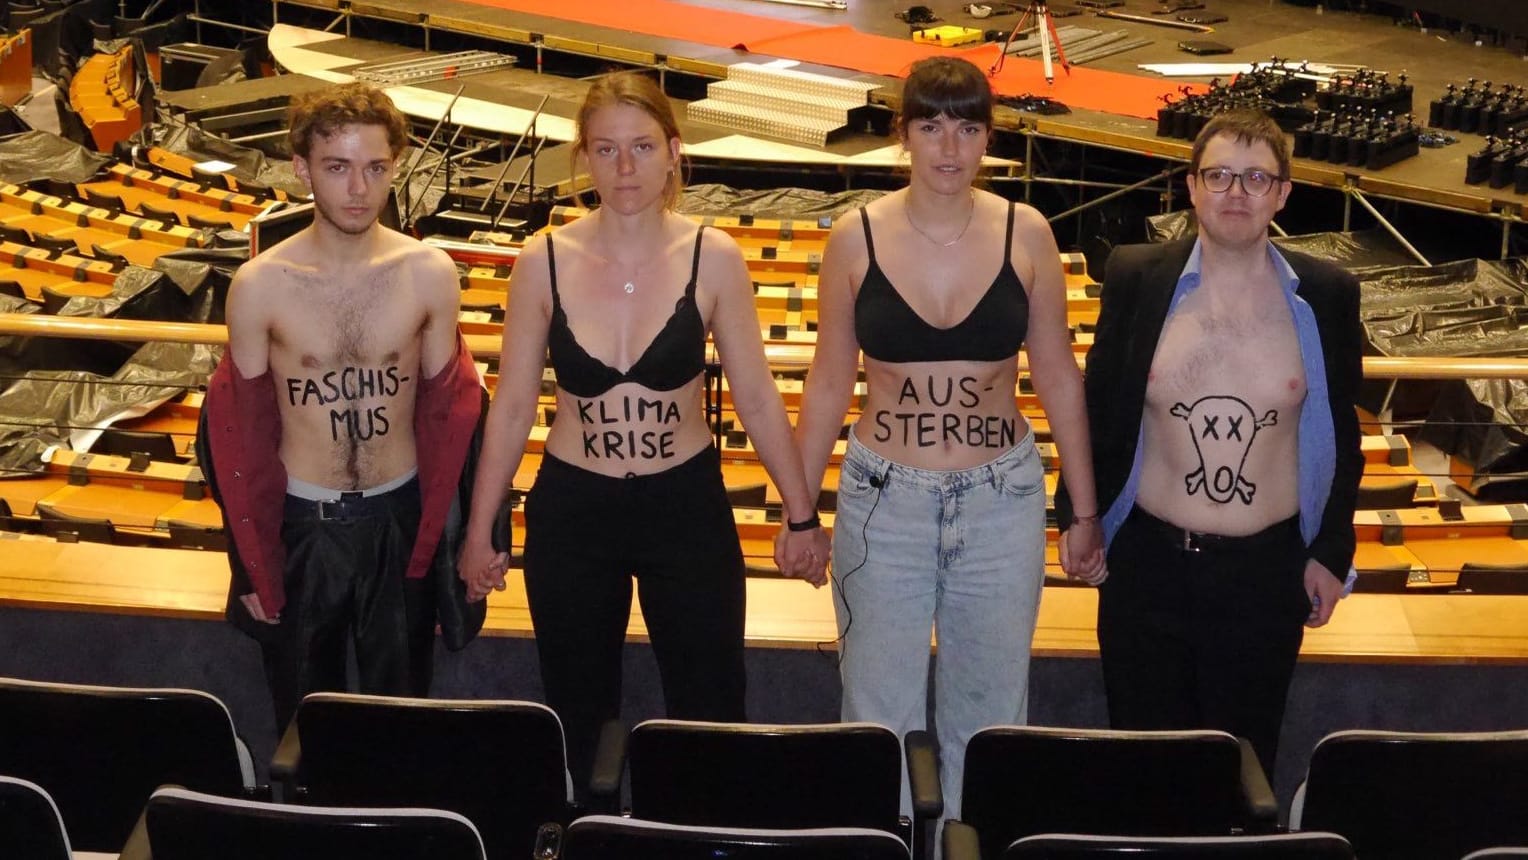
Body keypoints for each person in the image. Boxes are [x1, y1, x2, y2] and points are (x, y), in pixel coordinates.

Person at [457, 71, 830, 790]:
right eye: (605, 150)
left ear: (672, 151)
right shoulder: (543, 259)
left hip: (683, 509)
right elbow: (509, 406)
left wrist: (802, 511)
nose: (624, 168)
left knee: (711, 707)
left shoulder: (712, 255)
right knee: (577, 710)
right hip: (574, 511)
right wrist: (481, 530)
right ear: (584, 159)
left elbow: (755, 393)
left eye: (640, 147)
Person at [793, 55, 1103, 821]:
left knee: (991, 718)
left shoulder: (1025, 233)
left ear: (986, 137)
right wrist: (798, 512)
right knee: (875, 715)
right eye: (931, 126)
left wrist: (1085, 511)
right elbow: (830, 380)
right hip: (882, 503)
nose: (949, 148)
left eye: (968, 128)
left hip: (1001, 502)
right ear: (904, 135)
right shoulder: (854, 238)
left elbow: (1059, 374)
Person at [1054, 109, 1363, 777]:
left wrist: (1333, 550)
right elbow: (1099, 405)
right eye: (1219, 175)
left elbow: (1343, 432)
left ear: (1283, 192)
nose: (1236, 193)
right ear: (1191, 186)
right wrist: (1079, 518)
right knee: (1142, 767)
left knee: (1242, 769)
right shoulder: (1136, 277)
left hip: (1265, 575)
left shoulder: (1329, 295)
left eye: (1256, 178)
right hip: (1146, 568)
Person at [199, 82, 482, 733]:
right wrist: (251, 562)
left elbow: (453, 419)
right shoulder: (260, 286)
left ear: (395, 167)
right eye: (337, 167)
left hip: (397, 519)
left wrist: (468, 540)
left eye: (375, 168)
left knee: (401, 722)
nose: (358, 188)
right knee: (302, 723)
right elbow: (238, 435)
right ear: (302, 169)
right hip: (305, 526)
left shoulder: (430, 273)